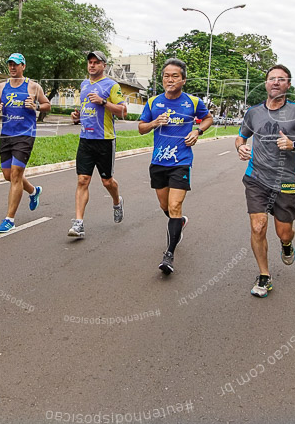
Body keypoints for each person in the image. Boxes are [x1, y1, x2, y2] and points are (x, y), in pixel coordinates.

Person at [236, 64, 295, 297]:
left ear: (288, 85)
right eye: (272, 78)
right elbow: (241, 137)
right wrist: (241, 147)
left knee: (284, 232)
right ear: (265, 83)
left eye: (281, 79)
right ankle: (264, 276)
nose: (276, 82)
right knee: (258, 226)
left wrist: (293, 144)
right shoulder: (253, 112)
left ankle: (286, 245)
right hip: (256, 179)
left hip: (285, 181)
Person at [138, 59, 213, 274]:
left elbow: (208, 118)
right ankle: (179, 223)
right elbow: (141, 128)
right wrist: (154, 123)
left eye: (175, 76)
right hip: (158, 162)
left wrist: (197, 131)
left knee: (174, 207)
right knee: (165, 207)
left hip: (181, 162)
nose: (170, 80)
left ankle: (169, 254)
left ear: (183, 80)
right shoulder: (153, 102)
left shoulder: (193, 102)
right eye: (166, 76)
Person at [68, 51, 128, 237]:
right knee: (82, 180)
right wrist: (78, 117)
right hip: (86, 139)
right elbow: (86, 107)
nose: (92, 65)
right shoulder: (84, 85)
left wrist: (103, 102)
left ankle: (117, 201)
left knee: (107, 181)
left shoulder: (112, 85)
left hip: (105, 140)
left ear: (104, 65)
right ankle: (78, 223)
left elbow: (123, 111)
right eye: (90, 62)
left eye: (96, 62)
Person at [0, 53, 50, 233]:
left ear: (23, 66)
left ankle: (9, 219)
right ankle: (33, 191)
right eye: (10, 64)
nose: (12, 68)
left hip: (25, 135)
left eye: (16, 64)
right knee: (8, 175)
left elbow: (47, 104)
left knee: (16, 174)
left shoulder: (33, 86)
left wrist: (36, 106)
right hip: (6, 134)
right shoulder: (2, 87)